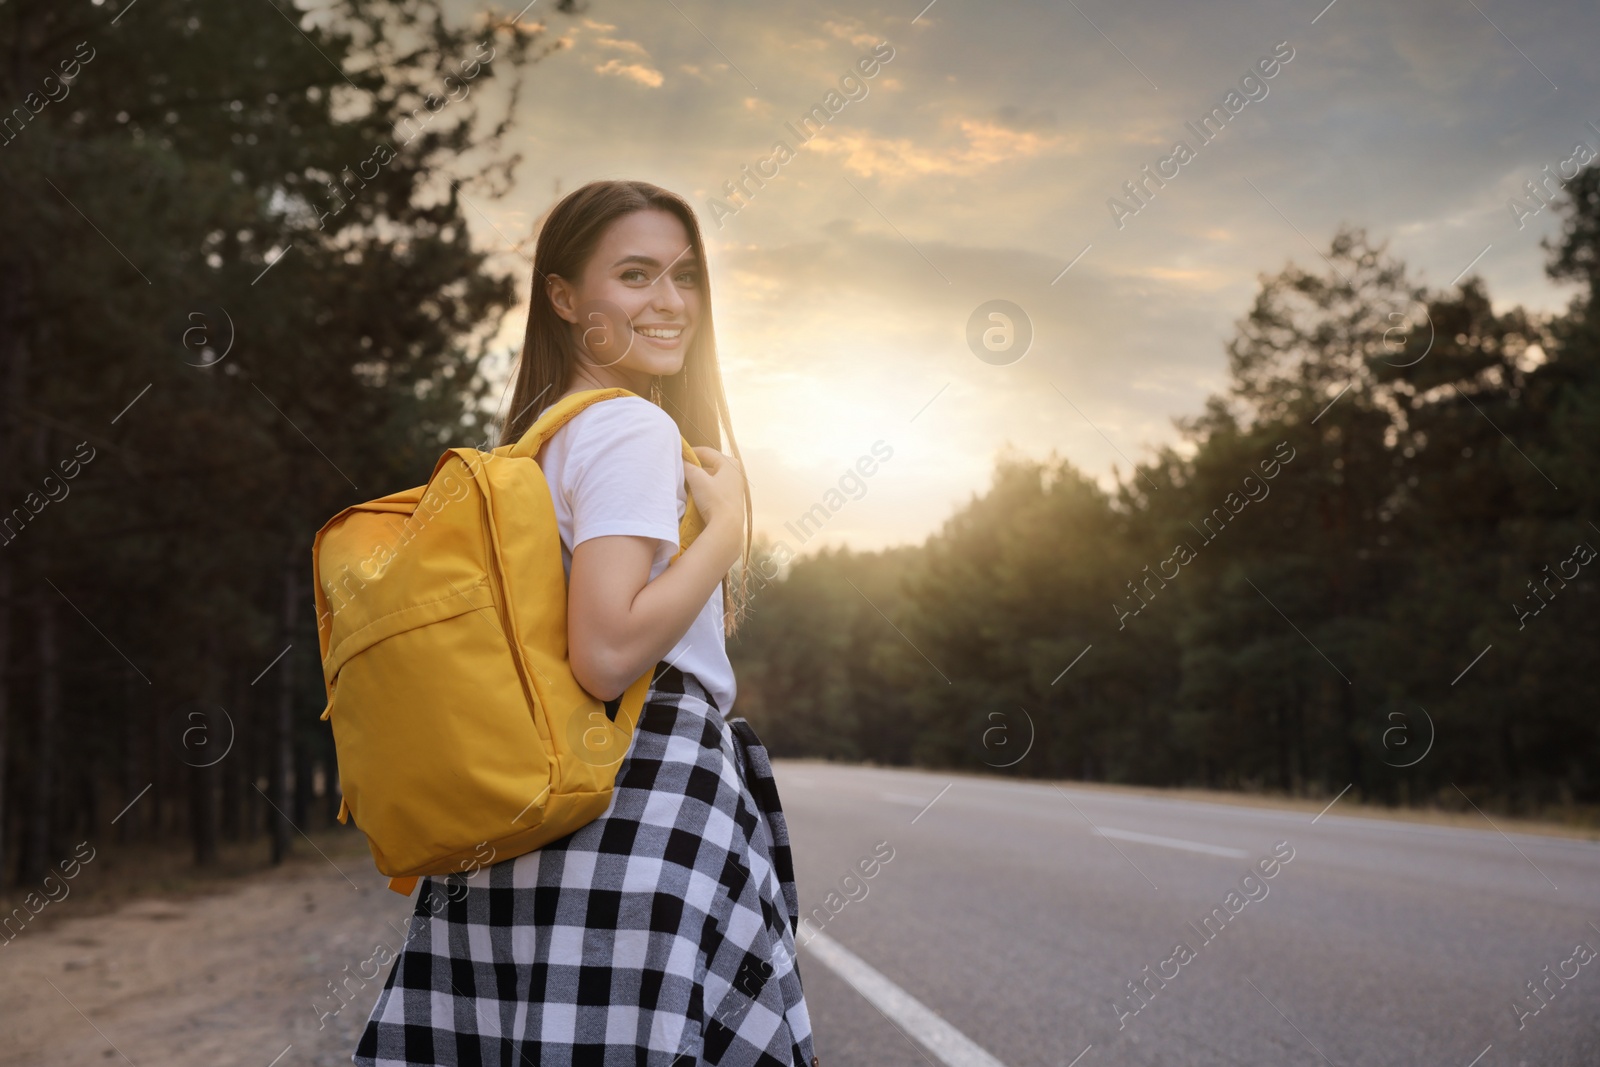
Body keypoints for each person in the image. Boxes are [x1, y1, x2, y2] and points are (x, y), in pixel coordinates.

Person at [353, 179, 818, 1067]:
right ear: (564, 298)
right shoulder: (632, 430)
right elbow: (606, 652)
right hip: (641, 786)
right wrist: (725, 532)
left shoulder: (537, 441)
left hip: (536, 797)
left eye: (686, 279)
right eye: (636, 274)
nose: (671, 303)